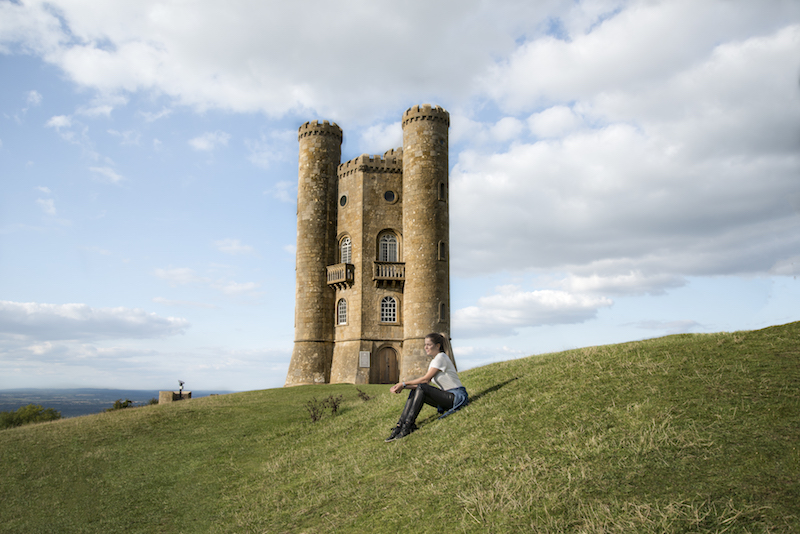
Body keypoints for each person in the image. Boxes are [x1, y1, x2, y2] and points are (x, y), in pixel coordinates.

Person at [385, 333, 469, 442]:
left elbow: (424, 380)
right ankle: (400, 425)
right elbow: (426, 383)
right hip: (446, 397)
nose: (426, 347)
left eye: (429, 345)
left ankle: (408, 425)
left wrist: (404, 383)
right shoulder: (434, 361)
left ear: (438, 346)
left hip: (456, 397)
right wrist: (403, 387)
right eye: (425, 344)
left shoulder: (441, 357)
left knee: (421, 386)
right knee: (416, 389)